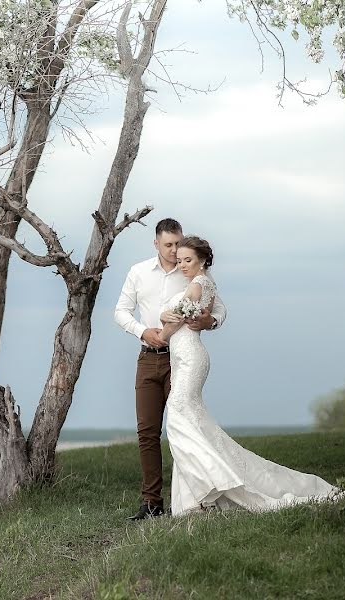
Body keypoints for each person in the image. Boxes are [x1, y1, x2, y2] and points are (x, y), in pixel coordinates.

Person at [159, 236, 345, 515]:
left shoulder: (196, 285)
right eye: (179, 260)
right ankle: (197, 498)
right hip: (184, 358)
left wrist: (161, 332)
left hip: (190, 357)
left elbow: (180, 322)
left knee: (179, 415)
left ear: (203, 259)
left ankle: (209, 489)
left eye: (188, 260)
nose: (182, 265)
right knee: (191, 423)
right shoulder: (205, 283)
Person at [114, 219, 227, 520]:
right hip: (148, 358)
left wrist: (208, 322)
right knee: (147, 431)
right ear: (156, 244)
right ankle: (152, 503)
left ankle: (196, 493)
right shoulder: (138, 272)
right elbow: (120, 312)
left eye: (178, 244)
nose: (175, 250)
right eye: (168, 245)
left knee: (182, 424)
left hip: (180, 360)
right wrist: (141, 331)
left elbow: (219, 309)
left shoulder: (191, 271)